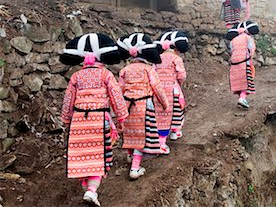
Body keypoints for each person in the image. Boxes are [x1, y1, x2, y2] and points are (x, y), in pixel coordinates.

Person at [59, 33, 129, 207]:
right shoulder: (105, 75)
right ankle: (91, 191)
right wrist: (121, 117)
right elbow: (116, 96)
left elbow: (69, 99)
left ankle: (88, 190)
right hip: (99, 119)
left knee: (83, 155)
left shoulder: (76, 77)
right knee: (99, 156)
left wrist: (67, 119)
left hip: (79, 120)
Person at [117, 33, 170, 180]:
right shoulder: (148, 69)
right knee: (142, 136)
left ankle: (129, 155)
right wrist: (165, 104)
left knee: (129, 132)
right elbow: (157, 87)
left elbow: (119, 90)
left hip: (127, 105)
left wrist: (117, 110)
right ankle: (135, 167)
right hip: (144, 105)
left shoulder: (124, 70)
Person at [154, 31, 189, 142]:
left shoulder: (157, 58)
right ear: (177, 49)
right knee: (176, 110)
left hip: (158, 90)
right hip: (173, 89)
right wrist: (179, 82)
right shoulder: (176, 59)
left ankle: (160, 134)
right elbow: (182, 75)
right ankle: (175, 131)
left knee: (161, 112)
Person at [226, 20, 259, 108]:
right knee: (247, 80)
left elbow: (231, 50)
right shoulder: (248, 38)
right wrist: (250, 57)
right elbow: (251, 49)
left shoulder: (233, 40)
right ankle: (242, 98)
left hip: (234, 62)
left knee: (238, 80)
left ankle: (241, 98)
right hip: (245, 61)